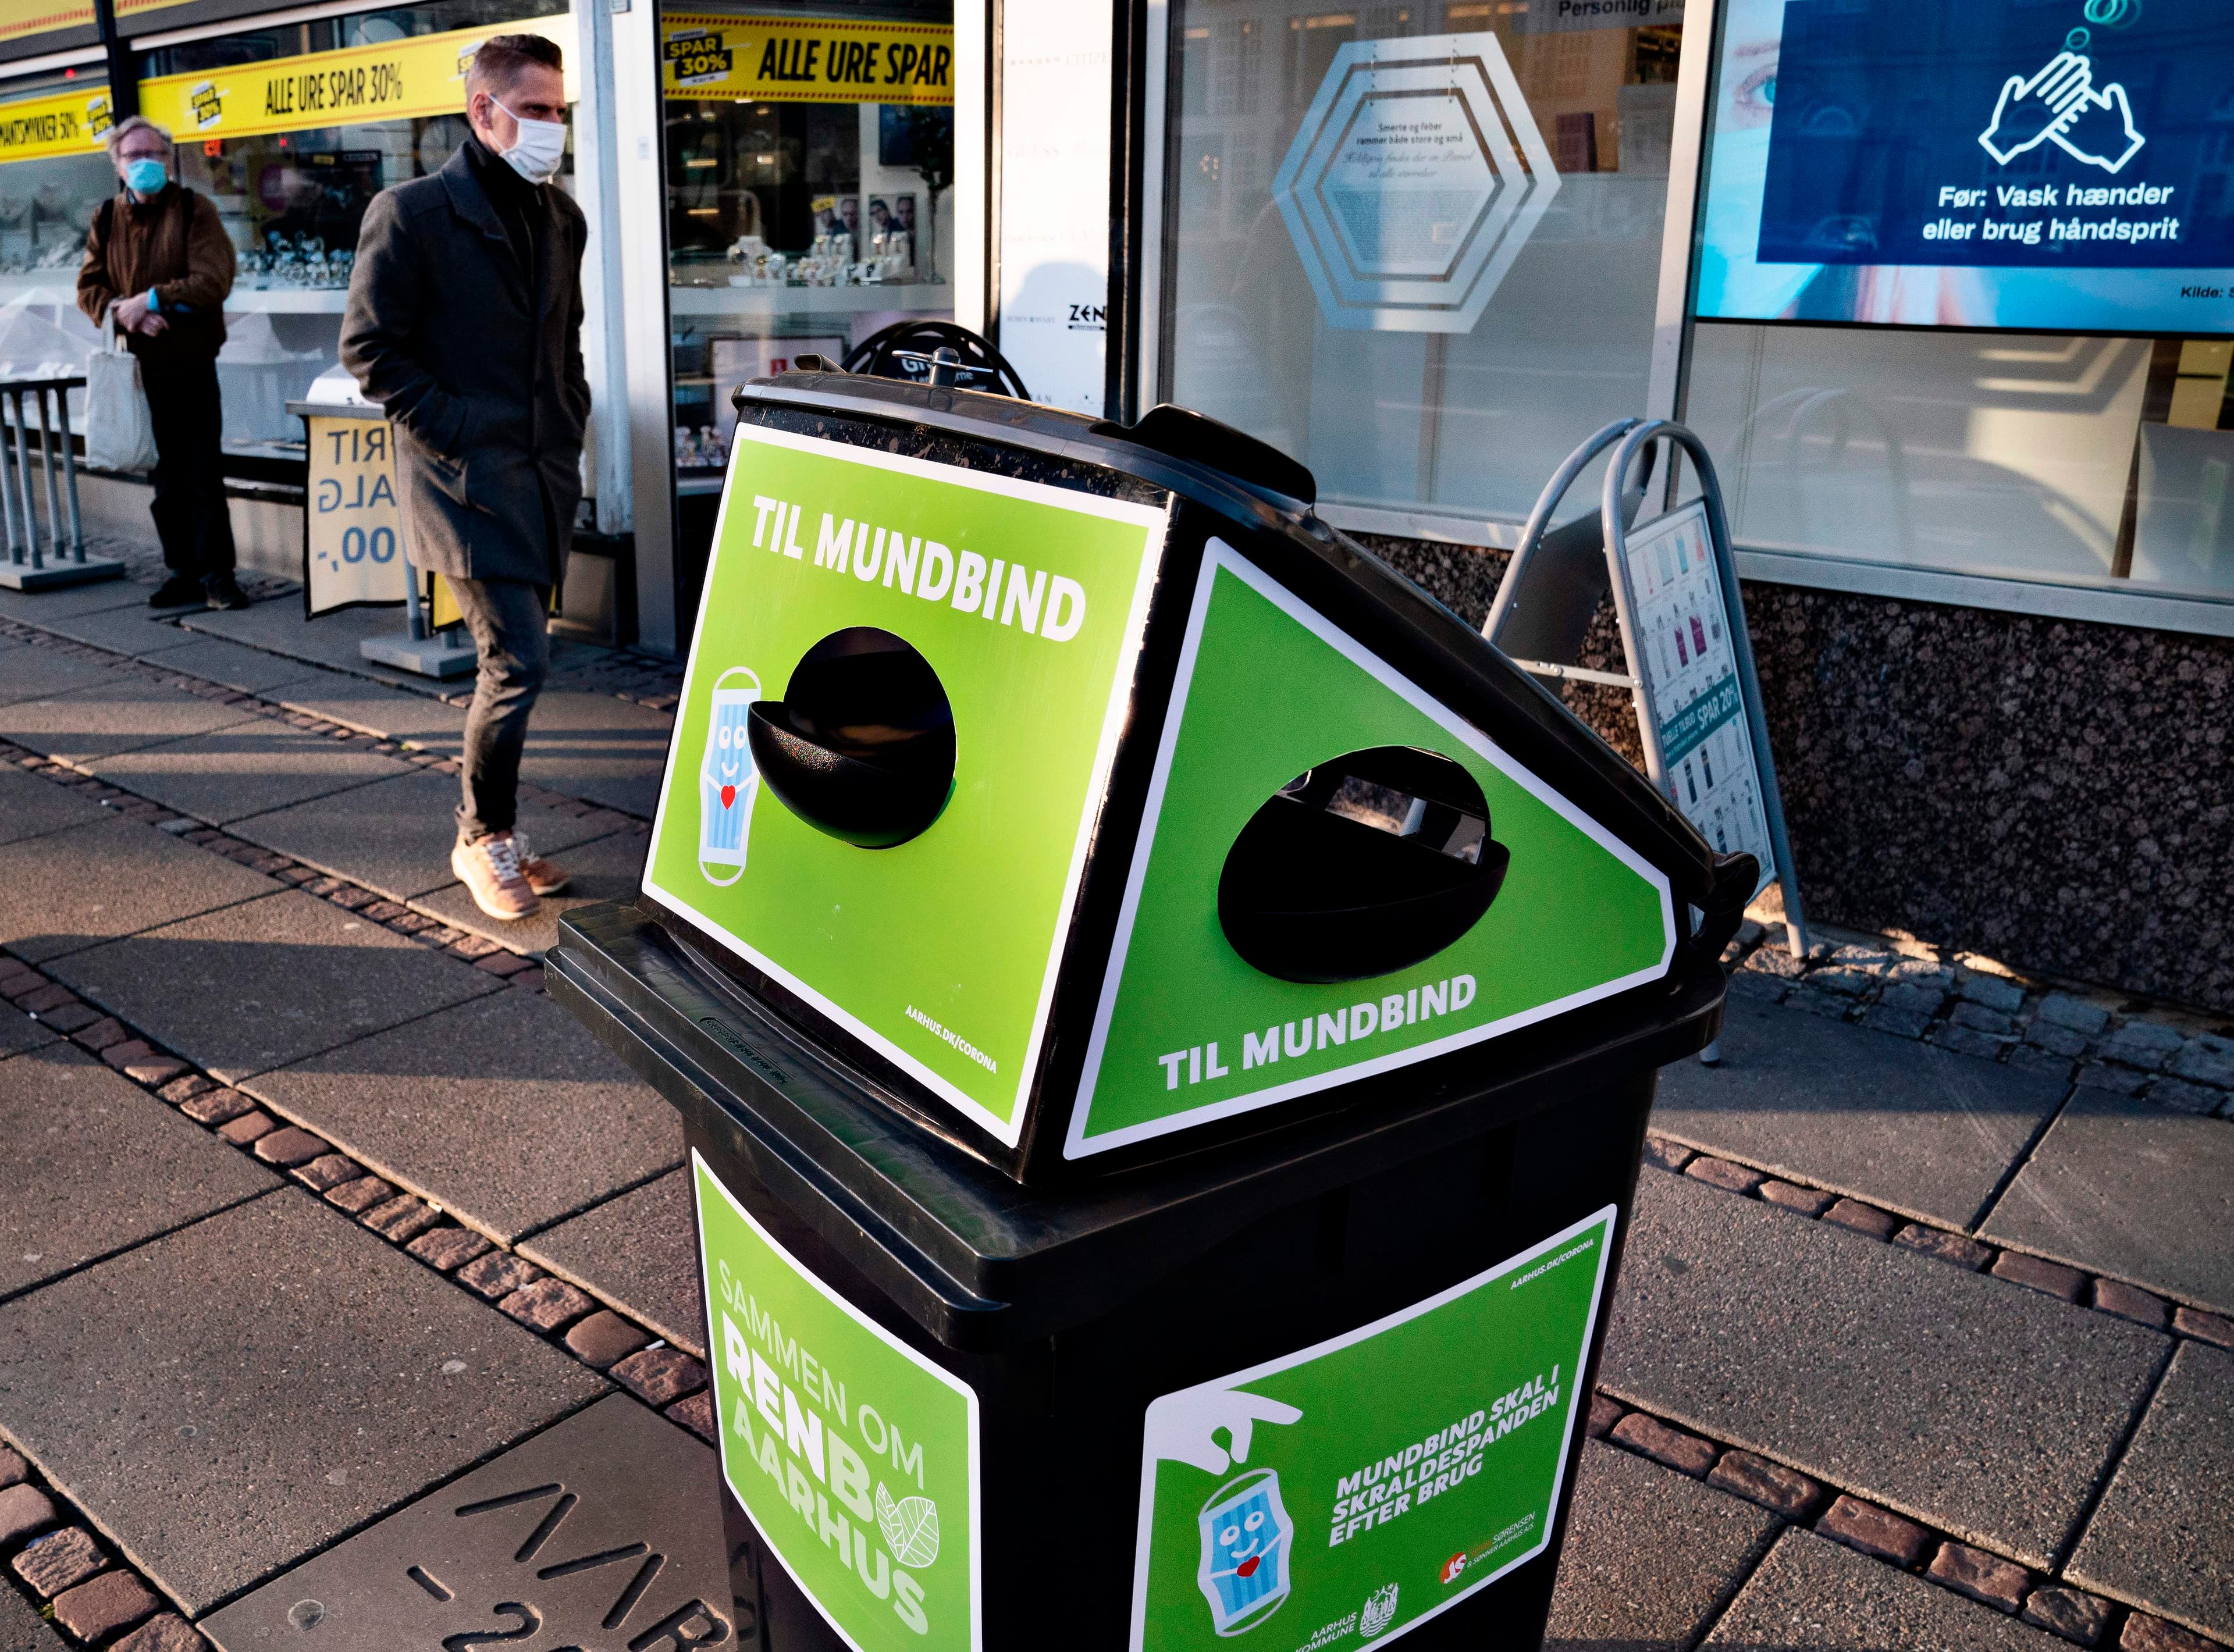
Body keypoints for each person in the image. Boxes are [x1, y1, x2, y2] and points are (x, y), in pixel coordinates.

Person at [340, 34, 588, 921]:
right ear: (484, 110)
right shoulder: (411, 213)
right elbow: (370, 349)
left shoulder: (562, 218)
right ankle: (482, 838)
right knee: (517, 659)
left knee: (520, 657)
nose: (553, 125)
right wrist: (457, 430)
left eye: (560, 109)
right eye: (537, 109)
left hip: (541, 474)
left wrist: (570, 418)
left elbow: (565, 341)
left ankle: (500, 829)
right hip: (463, 482)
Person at [77, 115, 247, 611]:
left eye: (153, 154)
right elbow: (89, 288)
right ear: (118, 164)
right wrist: (122, 311)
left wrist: (151, 300)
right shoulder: (106, 218)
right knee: (164, 478)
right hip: (138, 369)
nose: (145, 163)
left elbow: (213, 280)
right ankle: (182, 573)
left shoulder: (194, 209)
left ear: (169, 160)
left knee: (202, 474)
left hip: (189, 363)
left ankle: (219, 576)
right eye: (134, 156)